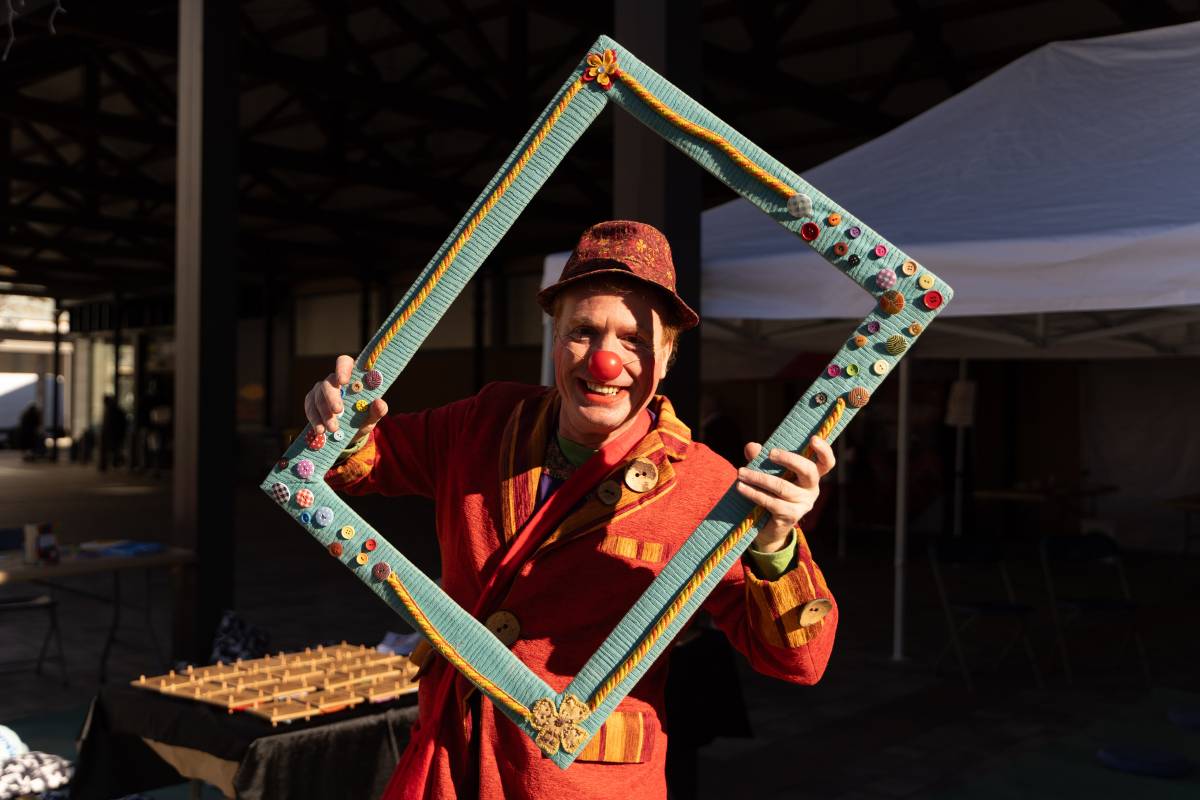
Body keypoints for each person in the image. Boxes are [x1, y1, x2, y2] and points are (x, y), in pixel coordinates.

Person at [305, 221, 838, 800]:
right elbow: (358, 462)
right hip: (451, 757)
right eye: (583, 332)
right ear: (555, 340)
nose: (605, 361)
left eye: (633, 339)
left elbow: (799, 660)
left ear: (667, 356)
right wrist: (339, 424)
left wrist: (775, 544)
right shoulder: (487, 420)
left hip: (577, 780)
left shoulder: (706, 483)